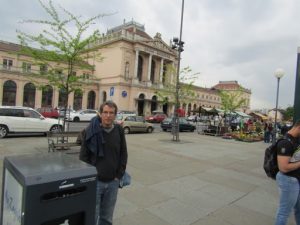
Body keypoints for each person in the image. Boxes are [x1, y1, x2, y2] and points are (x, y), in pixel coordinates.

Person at [78, 101, 128, 225]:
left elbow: (123, 154)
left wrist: (118, 176)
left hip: (113, 182)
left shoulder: (119, 130)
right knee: (92, 215)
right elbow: (83, 157)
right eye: (105, 112)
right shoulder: (91, 131)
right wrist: (90, 177)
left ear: (115, 115)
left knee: (107, 217)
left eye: (111, 113)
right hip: (95, 182)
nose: (108, 115)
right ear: (100, 114)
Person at [275, 120, 300, 225]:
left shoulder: (296, 139)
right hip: (289, 180)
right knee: (284, 212)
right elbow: (283, 167)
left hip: (296, 179)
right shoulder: (285, 142)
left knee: (299, 209)